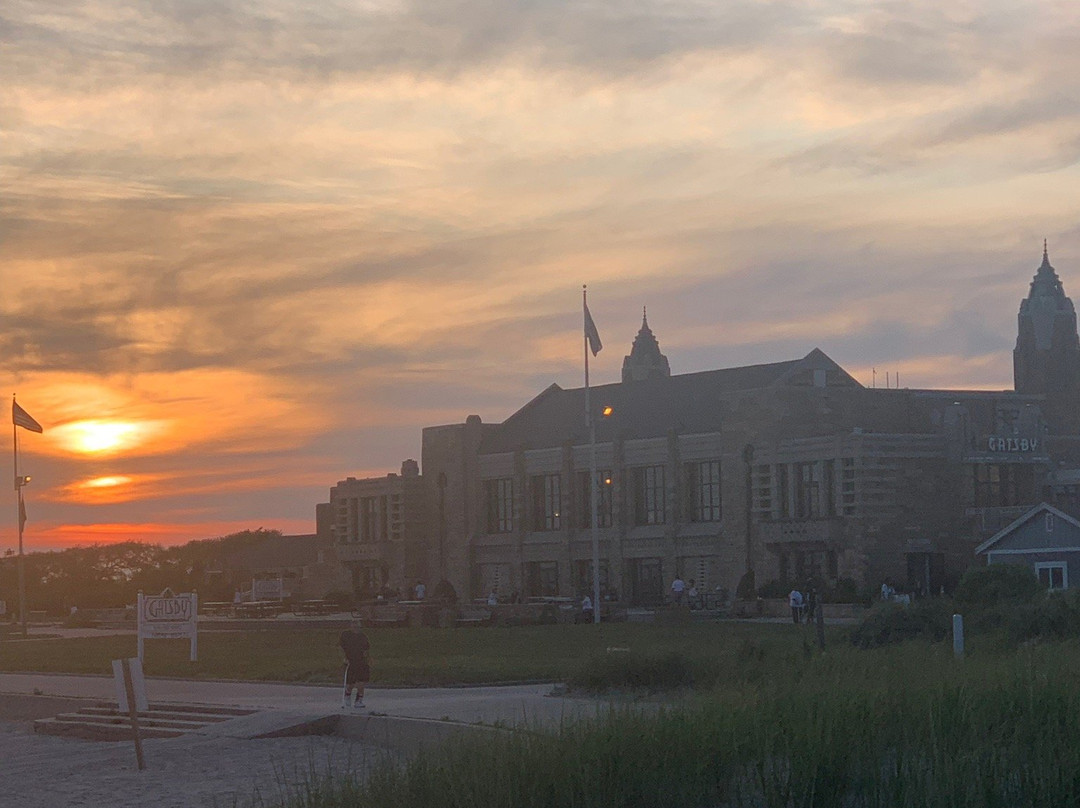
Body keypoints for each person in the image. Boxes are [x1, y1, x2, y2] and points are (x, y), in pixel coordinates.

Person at [339, 623, 371, 709]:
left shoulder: (363, 637)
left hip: (361, 661)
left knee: (361, 682)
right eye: (355, 626)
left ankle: (359, 700)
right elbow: (341, 648)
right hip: (351, 661)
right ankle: (347, 696)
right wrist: (344, 658)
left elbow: (366, 649)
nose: (357, 628)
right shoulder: (346, 635)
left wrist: (366, 660)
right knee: (350, 683)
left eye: (358, 627)